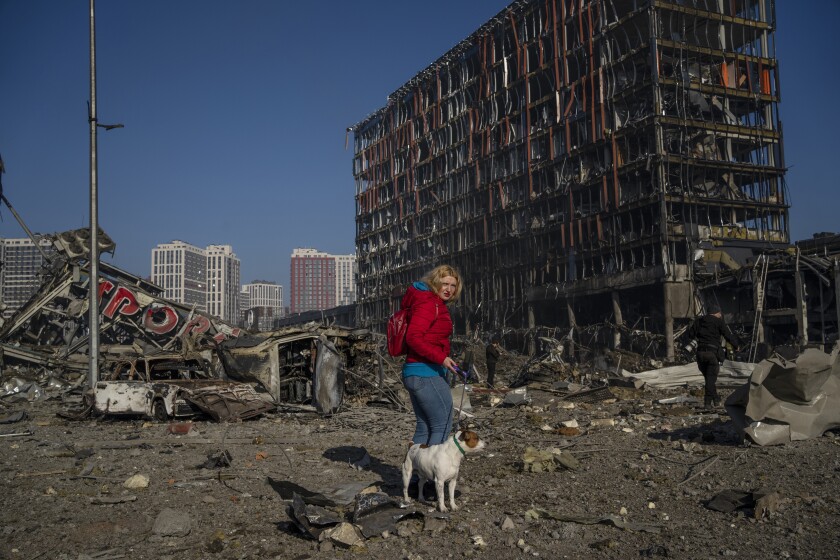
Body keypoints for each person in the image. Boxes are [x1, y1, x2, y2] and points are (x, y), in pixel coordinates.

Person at [401, 264, 462, 446]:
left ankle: (413, 474)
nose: (449, 289)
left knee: (425, 427)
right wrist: (442, 358)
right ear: (435, 283)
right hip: (426, 372)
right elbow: (413, 337)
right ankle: (433, 474)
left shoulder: (430, 302)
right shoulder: (429, 304)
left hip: (416, 372)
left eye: (453, 285)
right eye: (444, 284)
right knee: (441, 426)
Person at [688, 303, 739, 409]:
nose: (721, 315)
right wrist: (736, 346)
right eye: (720, 313)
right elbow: (728, 335)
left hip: (700, 354)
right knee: (710, 379)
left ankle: (716, 400)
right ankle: (707, 403)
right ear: (717, 313)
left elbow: (690, 335)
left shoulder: (699, 321)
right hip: (712, 354)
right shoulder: (719, 322)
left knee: (709, 379)